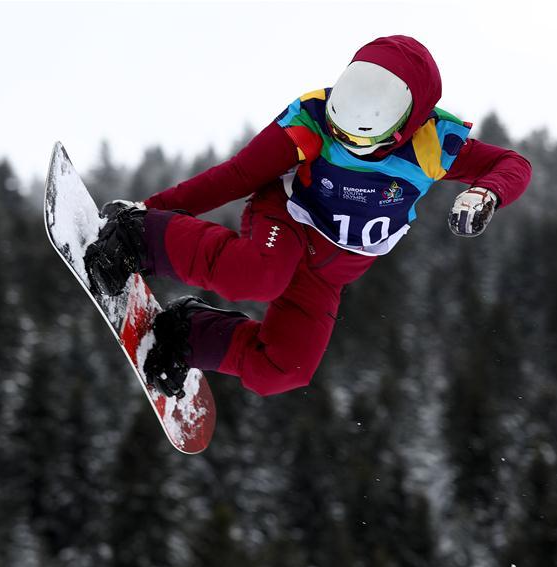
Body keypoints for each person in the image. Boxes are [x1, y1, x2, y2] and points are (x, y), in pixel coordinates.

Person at [84, 35, 532, 398]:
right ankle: (140, 238)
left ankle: (185, 335)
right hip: (289, 220)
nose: (349, 142)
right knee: (258, 274)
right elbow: (238, 175)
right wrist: (153, 209)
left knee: (285, 368)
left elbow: (513, 164)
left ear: (406, 124)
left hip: (327, 272)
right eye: (343, 131)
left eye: (367, 139)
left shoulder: (433, 144)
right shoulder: (314, 118)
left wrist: (488, 192)